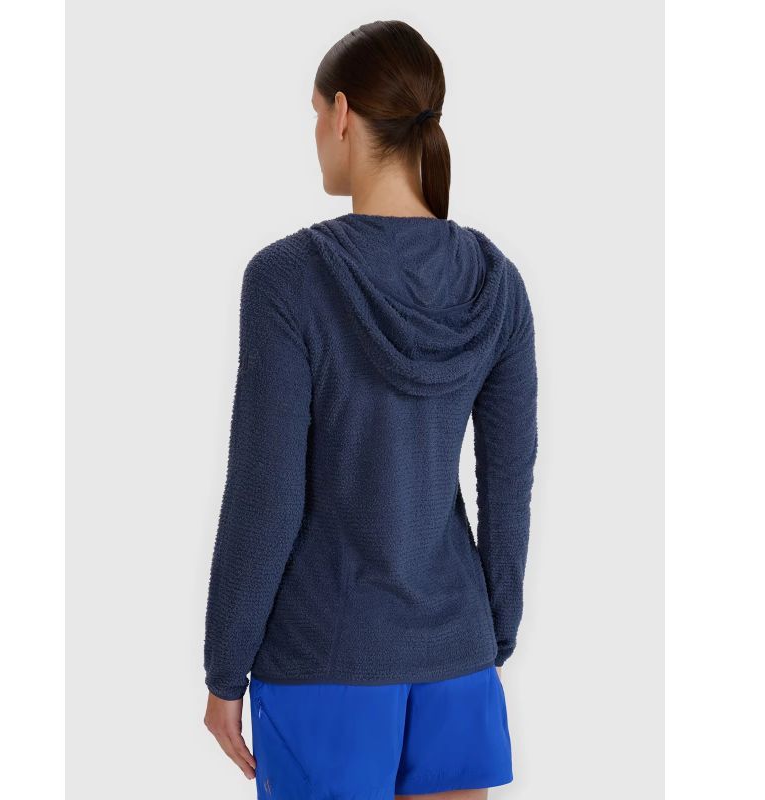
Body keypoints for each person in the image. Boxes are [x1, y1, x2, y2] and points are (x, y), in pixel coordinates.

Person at [203, 19, 539, 800]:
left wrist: (225, 670)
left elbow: (265, 496)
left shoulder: (289, 278)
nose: (316, 133)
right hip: (457, 656)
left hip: (325, 658)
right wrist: (489, 636)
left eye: (315, 113)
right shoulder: (496, 283)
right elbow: (508, 485)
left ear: (343, 114)